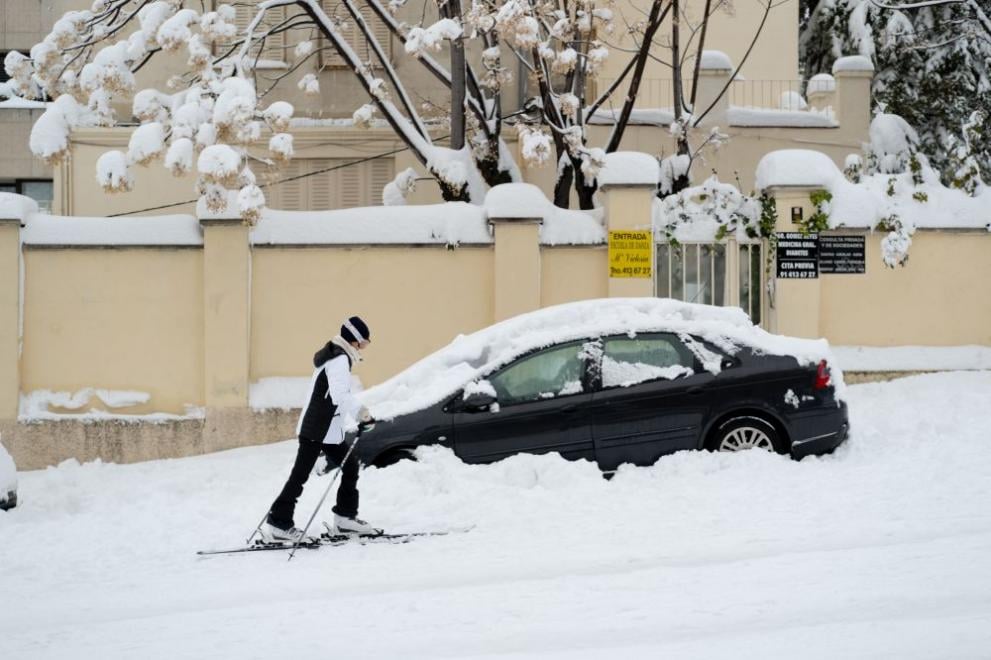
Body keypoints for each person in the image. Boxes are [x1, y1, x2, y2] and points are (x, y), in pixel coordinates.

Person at [261, 316, 380, 542]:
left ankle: (344, 520)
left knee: (350, 466)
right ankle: (279, 522)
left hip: (327, 430)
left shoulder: (336, 355)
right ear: (355, 340)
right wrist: (362, 413)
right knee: (300, 476)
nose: (365, 345)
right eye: (364, 341)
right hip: (317, 429)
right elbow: (339, 395)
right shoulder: (339, 360)